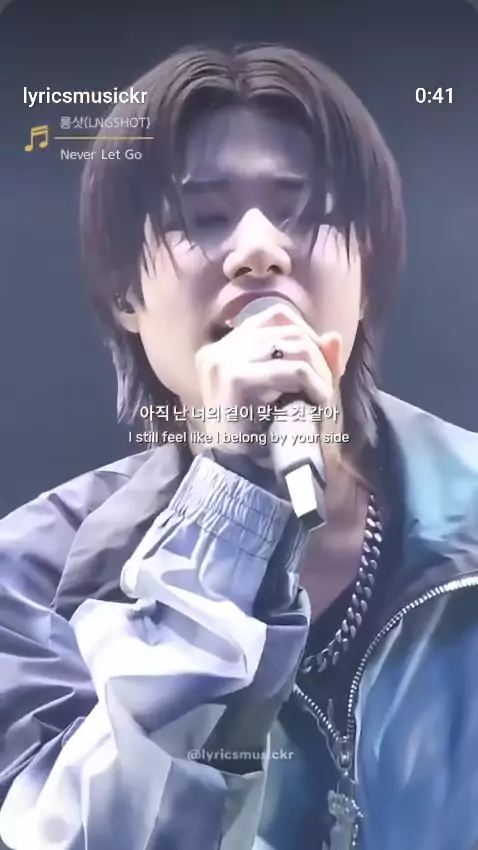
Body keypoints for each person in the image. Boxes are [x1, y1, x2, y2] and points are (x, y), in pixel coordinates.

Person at [0, 42, 477, 850]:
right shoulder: (31, 576)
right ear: (125, 293)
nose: (259, 249)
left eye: (304, 210)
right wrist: (231, 509)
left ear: (366, 270)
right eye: (202, 217)